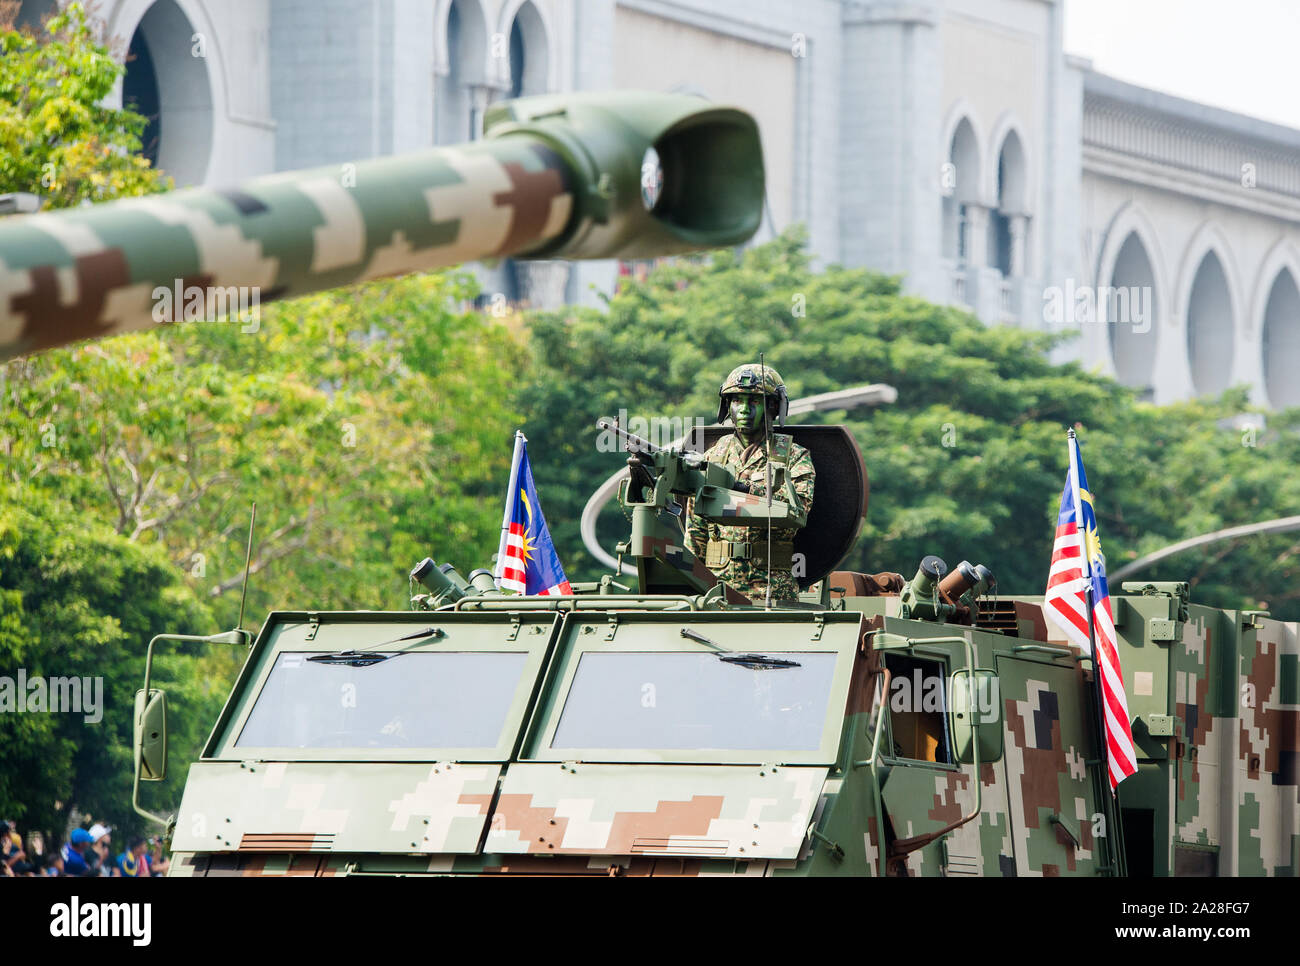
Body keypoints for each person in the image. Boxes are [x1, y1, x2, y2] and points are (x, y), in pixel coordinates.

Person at [685, 363, 815, 602]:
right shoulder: (713, 455)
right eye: (737, 401)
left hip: (771, 587)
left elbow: (799, 511)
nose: (744, 410)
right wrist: (693, 584)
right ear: (727, 406)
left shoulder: (793, 456)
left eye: (754, 402)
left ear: (774, 406)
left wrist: (744, 489)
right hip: (716, 585)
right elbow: (696, 529)